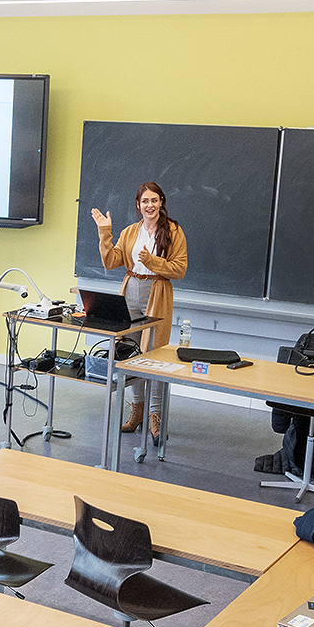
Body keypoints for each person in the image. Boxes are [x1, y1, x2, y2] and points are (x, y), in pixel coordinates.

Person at [91, 180, 187, 435]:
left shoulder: (174, 231)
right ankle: (137, 411)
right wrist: (105, 233)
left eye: (154, 200)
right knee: (130, 353)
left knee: (154, 356)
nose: (150, 205)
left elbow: (179, 269)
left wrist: (153, 261)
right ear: (138, 205)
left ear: (161, 202)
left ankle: (155, 415)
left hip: (157, 293)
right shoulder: (130, 231)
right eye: (145, 201)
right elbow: (111, 261)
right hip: (131, 290)